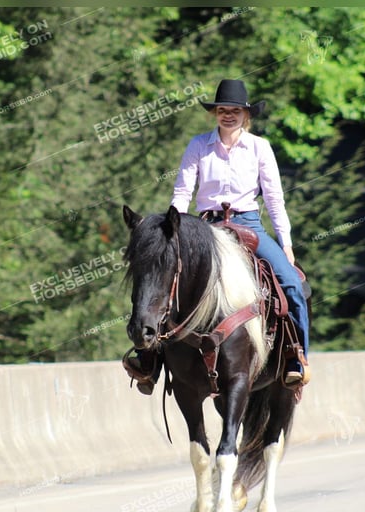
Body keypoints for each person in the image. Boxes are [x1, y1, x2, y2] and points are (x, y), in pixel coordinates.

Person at [123, 79, 310, 394]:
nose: (228, 115)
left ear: (245, 115)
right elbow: (182, 191)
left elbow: (275, 200)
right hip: (204, 227)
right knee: (160, 278)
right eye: (222, 110)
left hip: (248, 224)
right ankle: (148, 359)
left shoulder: (260, 147)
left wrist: (286, 243)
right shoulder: (198, 145)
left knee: (292, 283)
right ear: (215, 114)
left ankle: (297, 357)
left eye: (234, 111)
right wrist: (173, 228)